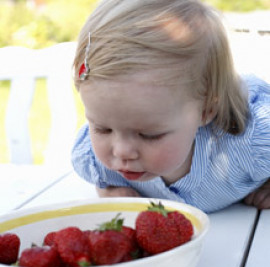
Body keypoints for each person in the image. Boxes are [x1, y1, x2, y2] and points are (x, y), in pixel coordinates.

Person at [71, 0, 270, 213]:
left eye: (148, 135)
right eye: (102, 129)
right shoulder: (95, 159)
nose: (121, 151)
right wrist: (110, 189)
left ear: (206, 110)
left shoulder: (252, 142)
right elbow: (103, 177)